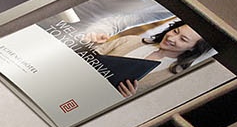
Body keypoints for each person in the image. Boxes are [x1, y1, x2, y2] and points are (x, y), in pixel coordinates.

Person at [79, 19, 211, 97]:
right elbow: (85, 56)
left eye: (183, 39)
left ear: (193, 48)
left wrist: (129, 98)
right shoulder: (131, 40)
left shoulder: (173, 77)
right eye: (175, 31)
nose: (171, 38)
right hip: (79, 81)